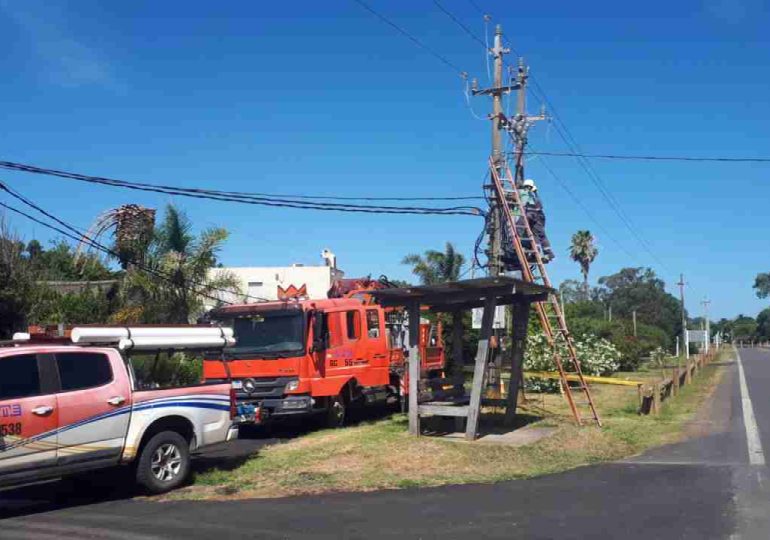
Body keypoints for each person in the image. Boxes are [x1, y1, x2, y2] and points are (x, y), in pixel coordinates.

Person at [520, 179, 555, 263]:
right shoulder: (535, 195)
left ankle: (537, 253)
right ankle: (546, 253)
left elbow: (524, 204)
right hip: (539, 217)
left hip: (532, 215)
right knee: (539, 235)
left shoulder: (525, 194)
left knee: (535, 235)